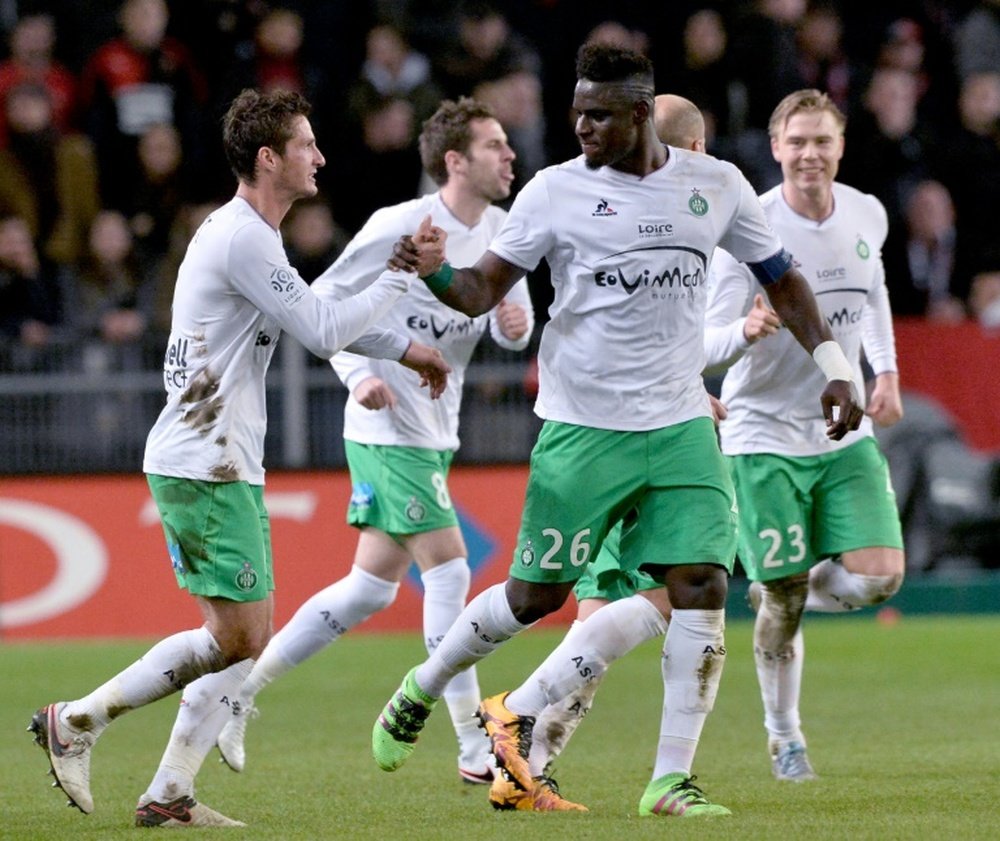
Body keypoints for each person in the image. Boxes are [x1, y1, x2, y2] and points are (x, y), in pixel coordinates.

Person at [371, 43, 862, 819]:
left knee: (702, 584)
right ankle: (423, 685)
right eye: (576, 113)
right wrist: (434, 270)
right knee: (535, 597)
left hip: (677, 421)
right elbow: (476, 290)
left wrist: (834, 363)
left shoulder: (716, 184)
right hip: (581, 427)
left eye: (597, 115)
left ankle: (670, 779)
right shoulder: (552, 192)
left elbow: (784, 279)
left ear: (640, 113)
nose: (581, 127)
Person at [28, 87, 450, 828]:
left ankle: (168, 791)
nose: (320, 156)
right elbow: (321, 328)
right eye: (306, 145)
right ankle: (79, 722)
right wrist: (397, 276)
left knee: (238, 639)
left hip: (217, 457)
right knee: (243, 637)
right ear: (268, 157)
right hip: (204, 458)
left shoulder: (251, 237)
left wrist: (403, 344)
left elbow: (313, 314)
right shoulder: (242, 237)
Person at [214, 96, 533, 786]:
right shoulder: (400, 225)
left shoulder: (509, 231)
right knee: (449, 569)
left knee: (368, 589)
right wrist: (357, 374)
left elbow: (517, 330)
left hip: (435, 430)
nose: (510, 156)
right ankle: (473, 747)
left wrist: (511, 321)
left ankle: (236, 690)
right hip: (387, 425)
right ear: (456, 161)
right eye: (495, 145)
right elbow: (322, 303)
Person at [705, 88, 905, 782]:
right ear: (776, 147)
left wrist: (887, 373)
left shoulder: (867, 212)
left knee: (881, 576)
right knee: (783, 603)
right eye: (797, 142)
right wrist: (744, 331)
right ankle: (784, 736)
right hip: (763, 431)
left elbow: (871, 293)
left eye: (822, 140)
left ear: (840, 146)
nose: (810, 153)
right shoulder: (750, 225)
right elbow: (703, 343)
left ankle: (786, 581)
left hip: (843, 426)